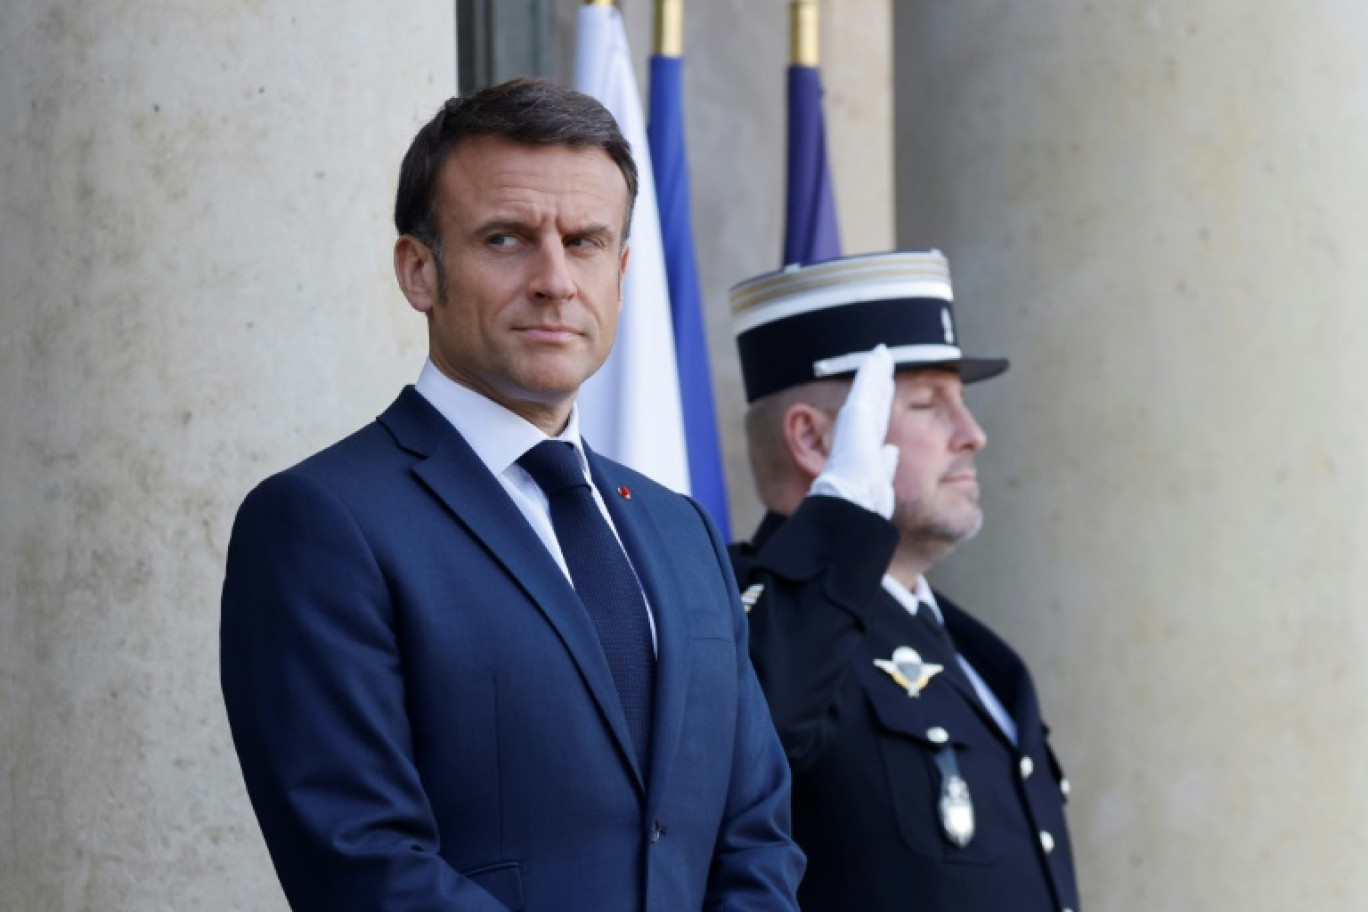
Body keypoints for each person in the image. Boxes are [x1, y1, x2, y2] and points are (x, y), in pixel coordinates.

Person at [220, 77, 803, 912]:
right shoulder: (321, 524)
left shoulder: (681, 529)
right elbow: (363, 863)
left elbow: (755, 837)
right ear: (420, 271)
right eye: (507, 238)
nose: (555, 279)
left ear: (623, 271)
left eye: (587, 242)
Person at [728, 250, 1079, 912]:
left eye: (964, 404)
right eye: (926, 404)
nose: (972, 435)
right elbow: (746, 742)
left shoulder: (974, 652)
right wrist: (840, 522)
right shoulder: (748, 620)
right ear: (813, 440)